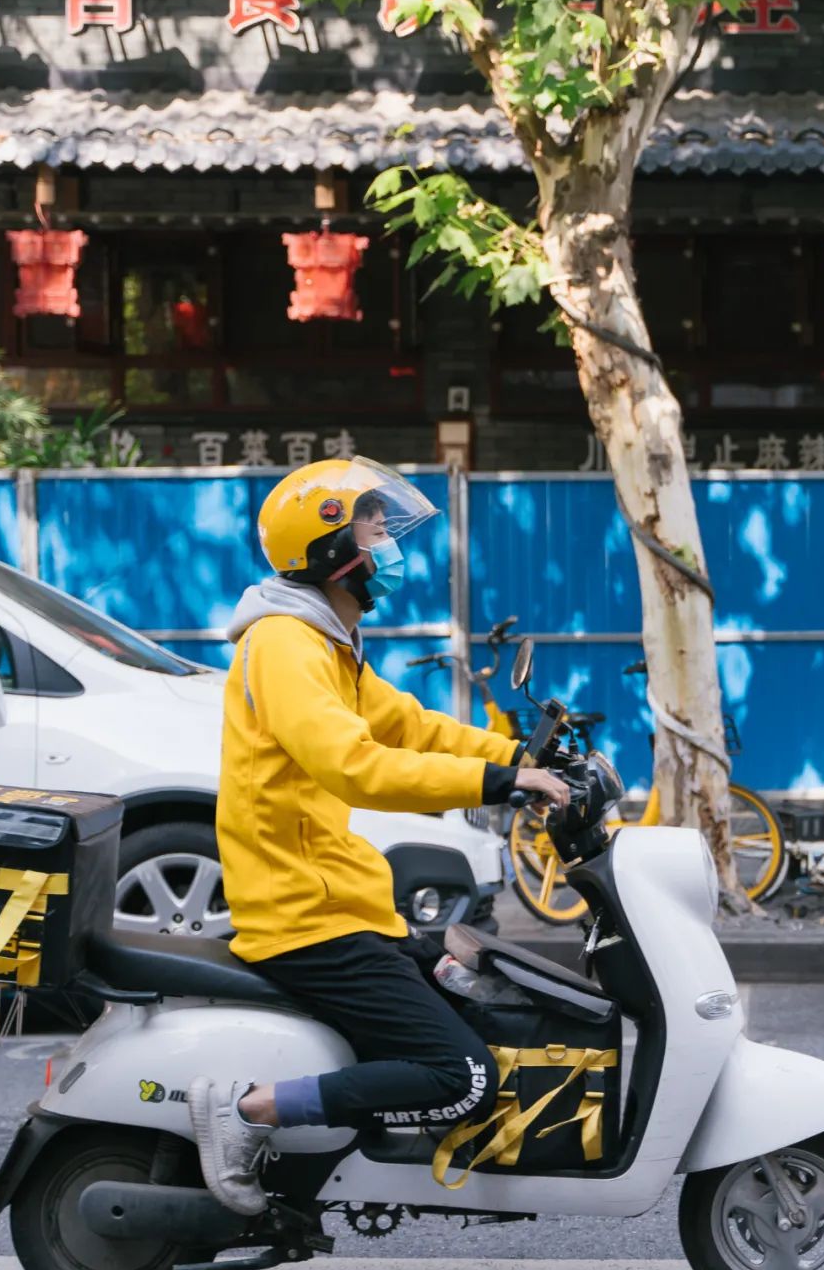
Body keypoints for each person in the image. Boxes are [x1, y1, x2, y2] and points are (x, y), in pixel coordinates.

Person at [188, 457, 569, 1215]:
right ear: (333, 549)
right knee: (461, 1075)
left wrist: (519, 755)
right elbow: (353, 764)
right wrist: (501, 786)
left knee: (483, 998)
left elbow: (406, 723)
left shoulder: (327, 640)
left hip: (340, 900)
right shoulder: (286, 645)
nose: (388, 540)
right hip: (302, 917)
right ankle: (245, 1111)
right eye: (373, 525)